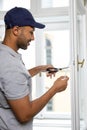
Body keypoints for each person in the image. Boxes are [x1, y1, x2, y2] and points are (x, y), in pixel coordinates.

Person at [0, 7, 69, 130]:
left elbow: (12, 80)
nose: (33, 38)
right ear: (16, 30)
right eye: (31, 32)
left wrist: (40, 68)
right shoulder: (10, 65)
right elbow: (24, 115)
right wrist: (55, 89)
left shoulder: (4, 54)